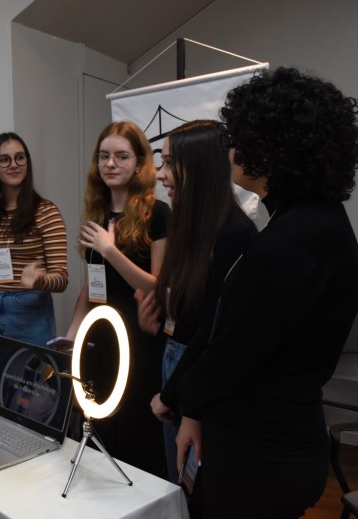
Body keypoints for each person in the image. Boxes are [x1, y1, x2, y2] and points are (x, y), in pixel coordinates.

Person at [174, 67, 358, 518]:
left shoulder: (292, 243)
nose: (231, 151)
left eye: (238, 138)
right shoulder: (318, 222)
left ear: (270, 147)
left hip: (258, 458)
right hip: (278, 443)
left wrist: (176, 398)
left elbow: (232, 355)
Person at [135, 120, 257, 483]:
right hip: (176, 365)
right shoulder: (187, 226)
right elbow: (186, 308)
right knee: (176, 485)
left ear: (200, 166)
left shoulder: (235, 235)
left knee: (195, 488)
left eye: (170, 163)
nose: (160, 174)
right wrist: (157, 317)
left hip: (195, 382)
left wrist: (177, 397)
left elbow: (214, 333)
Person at [64, 121, 169, 478]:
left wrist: (111, 251)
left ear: (139, 163)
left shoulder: (158, 213)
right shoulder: (97, 213)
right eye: (104, 156)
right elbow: (91, 285)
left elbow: (157, 286)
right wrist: (73, 334)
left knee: (135, 431)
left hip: (138, 337)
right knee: (99, 425)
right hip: (99, 335)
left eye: (121, 156)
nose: (110, 164)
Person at [0, 132, 68, 397]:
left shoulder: (46, 212)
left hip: (29, 311)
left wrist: (40, 280)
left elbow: (62, 278)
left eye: (20, 158)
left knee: (32, 392)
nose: (14, 165)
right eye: (5, 159)